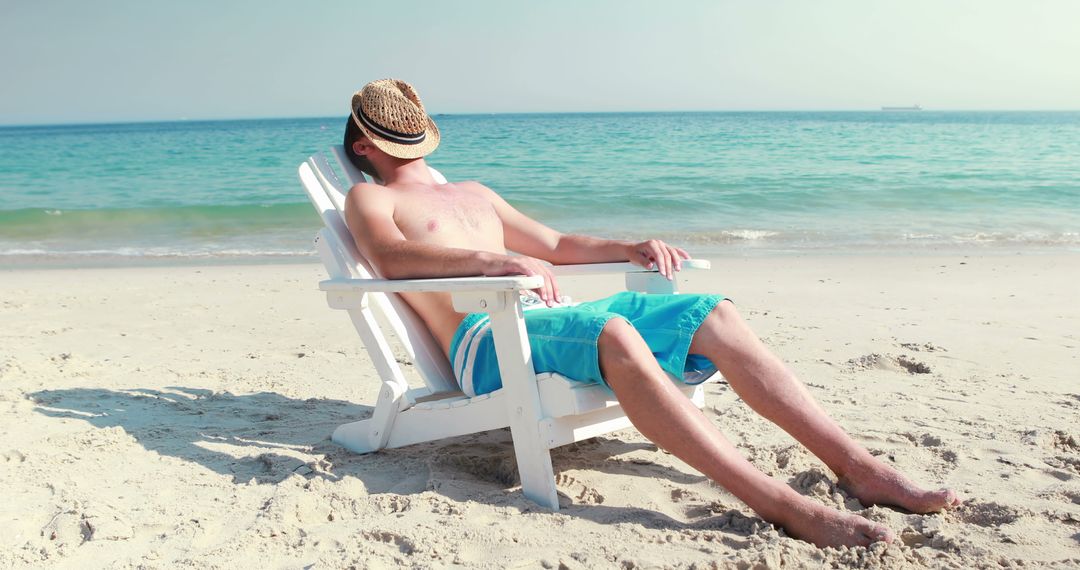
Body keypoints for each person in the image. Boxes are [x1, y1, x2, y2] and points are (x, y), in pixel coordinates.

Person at [340, 78, 960, 548]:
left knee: (711, 313)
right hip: (488, 339)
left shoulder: (472, 193)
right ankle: (777, 503)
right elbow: (390, 258)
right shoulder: (368, 196)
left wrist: (628, 247)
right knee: (611, 331)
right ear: (365, 144)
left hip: (548, 318)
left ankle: (861, 469)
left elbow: (555, 246)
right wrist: (486, 261)